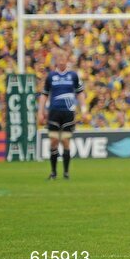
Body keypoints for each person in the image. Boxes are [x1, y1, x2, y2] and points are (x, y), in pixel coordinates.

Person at [38, 50, 85, 181]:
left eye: (63, 58)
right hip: (53, 112)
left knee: (65, 141)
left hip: (68, 112)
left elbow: (80, 93)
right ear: (56, 61)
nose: (61, 60)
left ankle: (66, 172)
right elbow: (44, 95)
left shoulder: (73, 76)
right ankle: (53, 172)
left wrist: (84, 109)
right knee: (53, 141)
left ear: (67, 60)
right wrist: (41, 112)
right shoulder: (51, 76)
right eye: (59, 58)